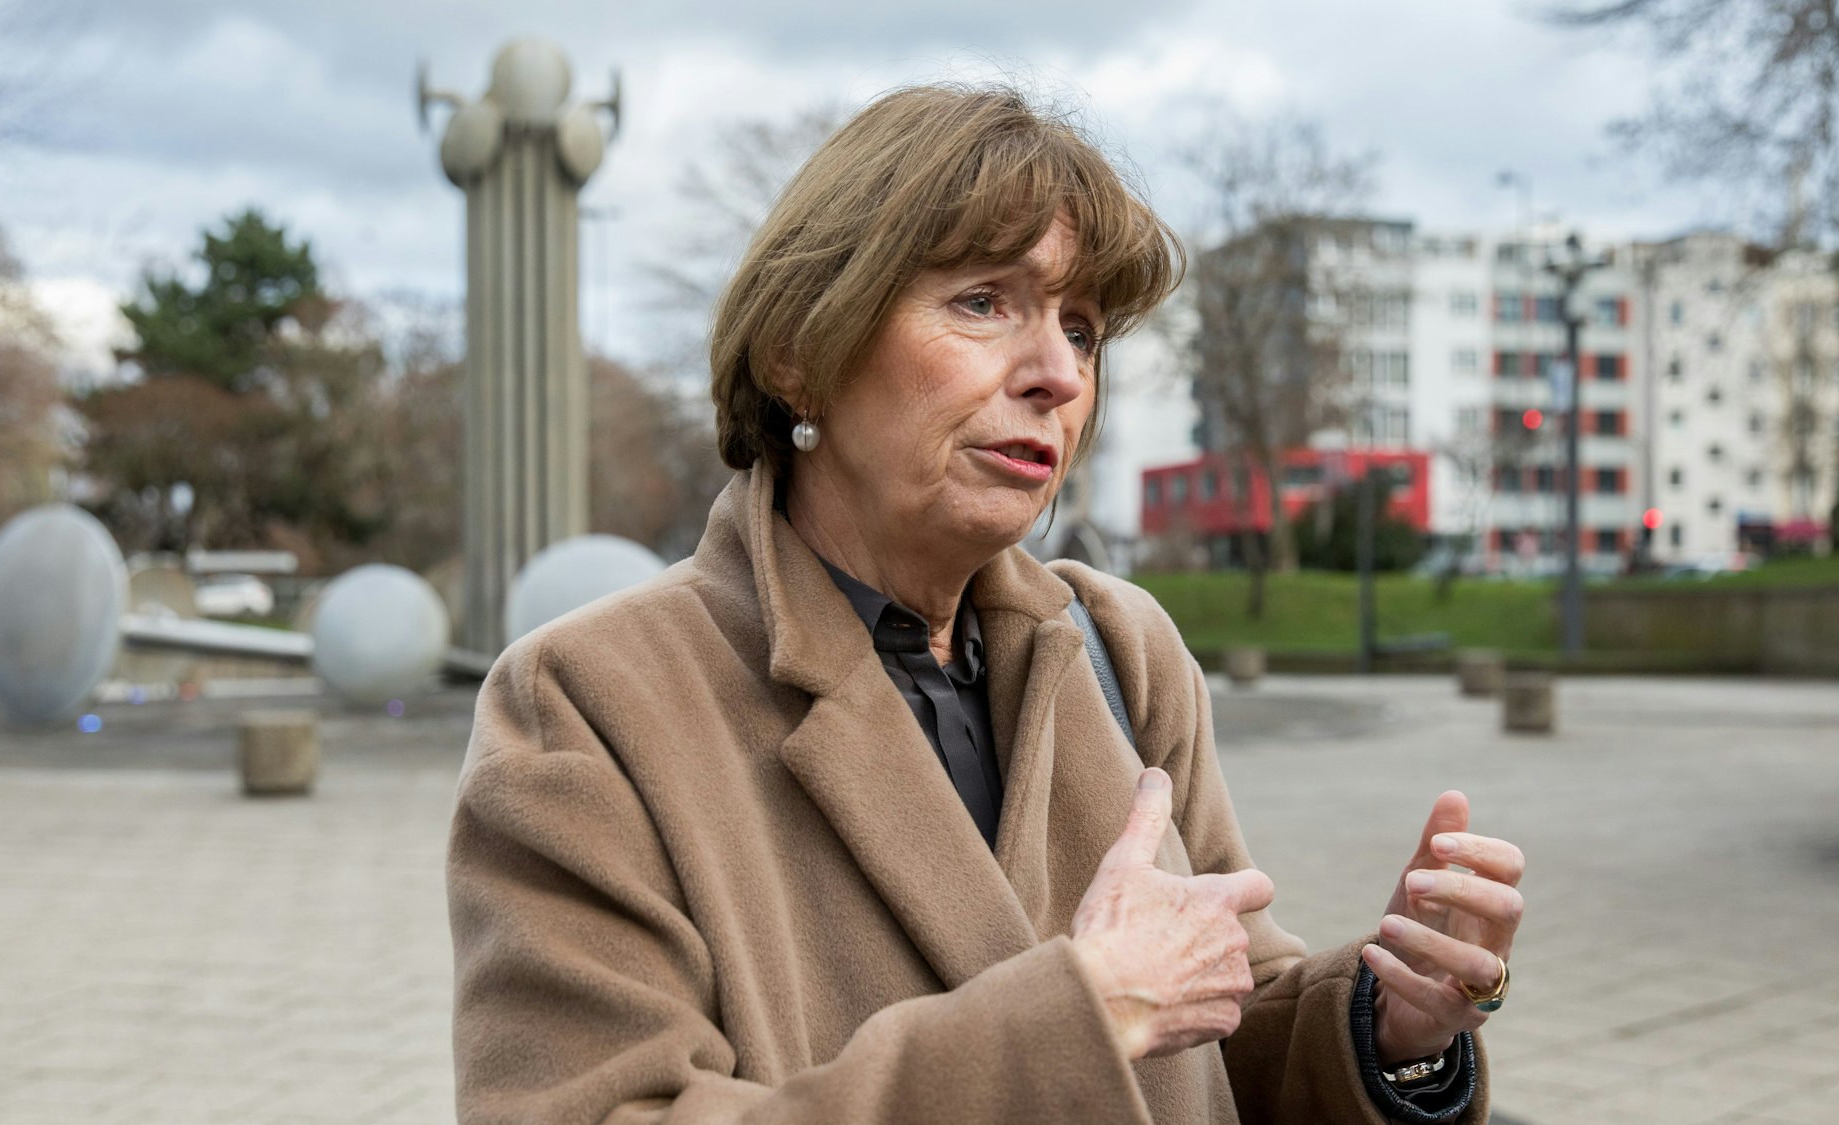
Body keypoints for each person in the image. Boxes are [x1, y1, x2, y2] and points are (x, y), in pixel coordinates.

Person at [448, 84, 1524, 1124]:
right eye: (982, 302)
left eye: (1083, 327)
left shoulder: (1119, 648)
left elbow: (1217, 1023)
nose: (1056, 371)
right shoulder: (585, 704)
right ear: (797, 353)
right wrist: (1080, 1018)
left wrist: (1385, 1020)